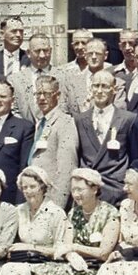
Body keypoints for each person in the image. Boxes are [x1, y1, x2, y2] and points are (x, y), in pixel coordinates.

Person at [34, 168, 120, 275]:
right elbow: (67, 244)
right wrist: (71, 255)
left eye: (80, 189)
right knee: (40, 270)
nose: (76, 194)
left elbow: (104, 253)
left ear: (94, 188)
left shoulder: (109, 213)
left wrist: (75, 248)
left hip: (100, 268)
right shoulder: (74, 213)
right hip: (78, 265)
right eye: (73, 190)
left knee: (61, 273)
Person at [76, 69, 138, 205]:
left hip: (116, 190)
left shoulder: (128, 119)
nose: (99, 91)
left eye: (104, 86)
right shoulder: (80, 120)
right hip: (89, 190)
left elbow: (134, 156)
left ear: (114, 89)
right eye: (96, 86)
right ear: (90, 88)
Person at [27, 74, 79, 208]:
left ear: (58, 95)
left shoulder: (65, 122)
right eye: (38, 94)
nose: (42, 98)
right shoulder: (40, 122)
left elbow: (67, 168)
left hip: (52, 199)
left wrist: (57, 206)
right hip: (35, 196)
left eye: (47, 94)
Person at [60, 38, 125, 116]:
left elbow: (119, 113)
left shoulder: (117, 83)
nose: (94, 57)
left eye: (98, 54)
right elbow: (63, 110)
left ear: (105, 55)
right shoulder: (70, 81)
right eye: (90, 53)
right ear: (85, 55)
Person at [8, 32, 54, 122]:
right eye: (37, 51)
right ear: (28, 53)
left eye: (45, 50)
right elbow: (13, 111)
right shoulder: (15, 80)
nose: (42, 55)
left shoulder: (63, 76)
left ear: (51, 51)